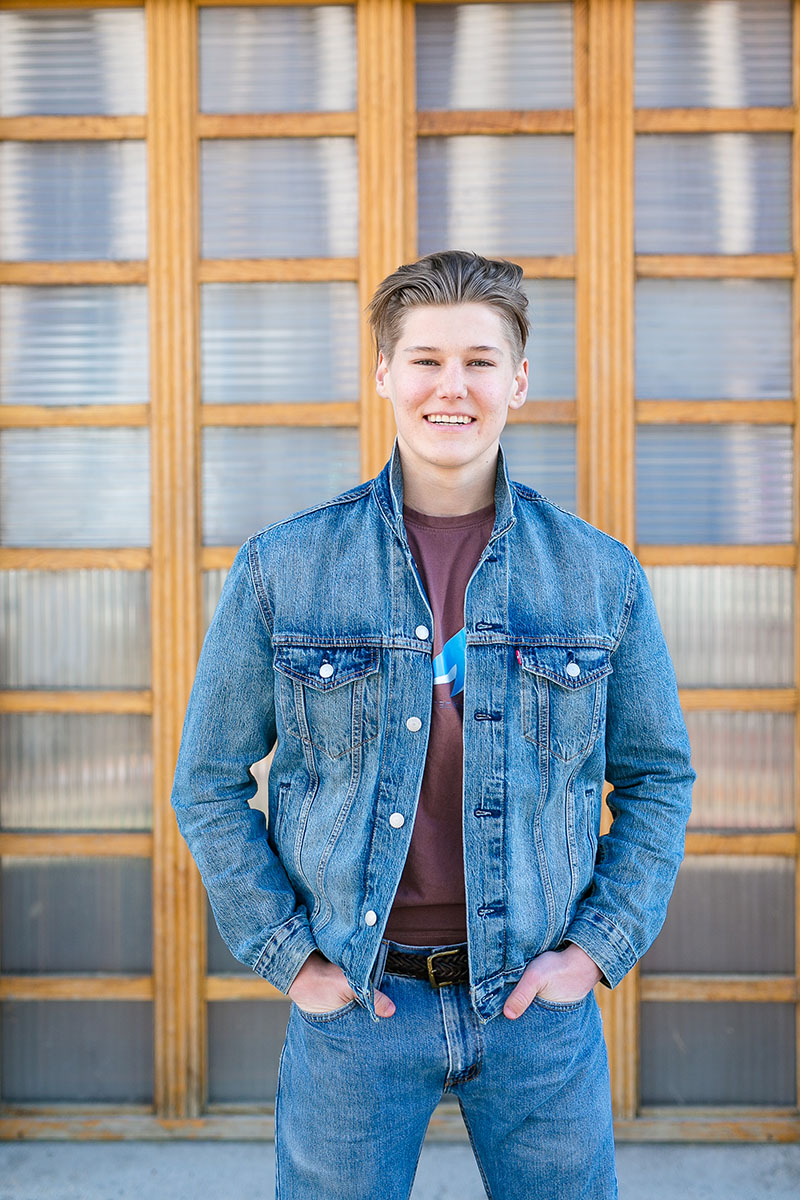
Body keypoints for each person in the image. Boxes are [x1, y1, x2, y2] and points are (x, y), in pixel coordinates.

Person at [171, 249, 694, 1199]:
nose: (451, 386)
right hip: (358, 1009)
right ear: (382, 374)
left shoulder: (598, 573)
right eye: (424, 359)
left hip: (537, 1009)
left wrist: (598, 949)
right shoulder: (282, 567)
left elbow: (658, 776)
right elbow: (207, 781)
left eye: (481, 360)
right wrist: (292, 961)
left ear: (520, 382)